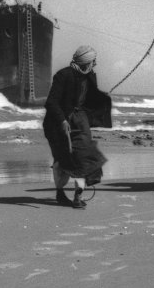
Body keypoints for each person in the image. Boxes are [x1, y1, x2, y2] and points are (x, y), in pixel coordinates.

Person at [43, 45, 112, 208]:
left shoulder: (90, 76)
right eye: (93, 61)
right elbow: (51, 102)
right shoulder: (63, 75)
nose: (95, 64)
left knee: (84, 158)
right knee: (62, 160)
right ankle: (60, 193)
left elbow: (88, 98)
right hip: (58, 123)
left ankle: (77, 196)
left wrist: (101, 99)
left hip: (80, 121)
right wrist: (62, 121)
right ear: (86, 62)